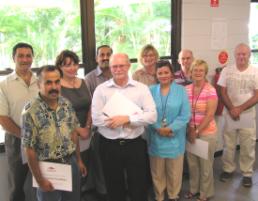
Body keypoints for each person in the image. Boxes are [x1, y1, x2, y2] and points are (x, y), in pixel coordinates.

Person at [91, 53, 157, 201]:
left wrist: (127, 119)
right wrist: (117, 121)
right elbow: (96, 118)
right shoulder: (101, 90)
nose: (118, 69)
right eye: (114, 66)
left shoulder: (141, 88)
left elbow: (152, 116)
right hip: (109, 145)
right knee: (114, 186)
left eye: (121, 65)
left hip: (135, 144)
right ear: (110, 68)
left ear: (128, 66)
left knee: (139, 185)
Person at [21, 65, 86, 201]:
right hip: (47, 168)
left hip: (71, 163)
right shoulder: (30, 111)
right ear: (39, 84)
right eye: (48, 82)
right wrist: (40, 180)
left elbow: (74, 133)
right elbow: (29, 149)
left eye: (57, 82)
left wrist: (79, 161)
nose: (54, 87)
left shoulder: (66, 104)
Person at [148, 60, 190, 201]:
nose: (163, 75)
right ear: (156, 74)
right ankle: (159, 196)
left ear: (172, 74)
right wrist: (159, 128)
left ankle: (173, 195)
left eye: (166, 72)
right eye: (160, 73)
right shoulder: (151, 90)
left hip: (175, 138)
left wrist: (170, 128)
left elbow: (185, 115)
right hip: (156, 137)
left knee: (174, 172)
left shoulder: (181, 90)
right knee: (157, 172)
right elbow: (147, 112)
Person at [0, 42, 38, 201]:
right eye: (20, 56)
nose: (25, 59)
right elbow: (2, 118)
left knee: (43, 181)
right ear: (13, 58)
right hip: (16, 141)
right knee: (17, 186)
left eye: (28, 55)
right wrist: (25, 136)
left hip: (41, 140)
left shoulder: (41, 81)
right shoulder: (4, 84)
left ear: (32, 58)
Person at [218, 43, 258, 187]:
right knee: (228, 144)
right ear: (235, 55)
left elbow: (256, 95)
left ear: (249, 55)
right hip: (229, 113)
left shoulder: (255, 72)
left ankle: (247, 173)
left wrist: (239, 109)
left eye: (244, 54)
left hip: (247, 114)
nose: (241, 56)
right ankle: (228, 169)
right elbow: (222, 91)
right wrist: (232, 109)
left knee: (248, 145)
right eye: (239, 54)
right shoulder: (226, 71)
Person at [55, 50, 92, 197]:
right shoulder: (57, 85)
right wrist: (78, 130)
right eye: (67, 65)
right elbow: (60, 113)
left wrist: (87, 127)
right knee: (71, 175)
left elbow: (91, 106)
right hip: (68, 136)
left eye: (74, 64)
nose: (72, 68)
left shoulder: (83, 81)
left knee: (84, 172)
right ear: (60, 67)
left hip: (87, 134)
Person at [185, 59, 218, 201]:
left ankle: (205, 193)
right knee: (192, 164)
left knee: (205, 166)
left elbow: (210, 114)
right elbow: (184, 112)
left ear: (205, 73)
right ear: (190, 72)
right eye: (195, 70)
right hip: (190, 133)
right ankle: (194, 189)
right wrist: (189, 130)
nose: (197, 73)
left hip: (206, 133)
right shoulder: (186, 90)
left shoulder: (210, 90)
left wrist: (196, 131)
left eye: (201, 70)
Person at [84, 45, 113, 198]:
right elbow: (88, 105)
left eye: (108, 54)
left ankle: (116, 191)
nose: (105, 57)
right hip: (99, 129)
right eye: (102, 54)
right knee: (100, 163)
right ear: (96, 58)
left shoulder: (118, 75)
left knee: (115, 162)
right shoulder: (90, 78)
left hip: (117, 126)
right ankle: (103, 193)